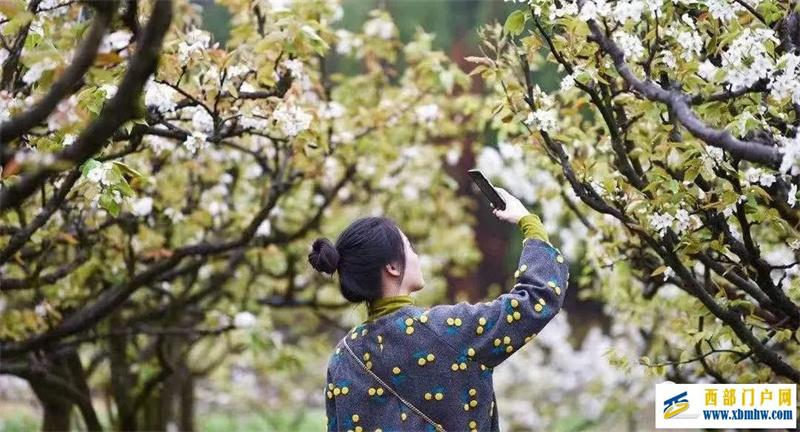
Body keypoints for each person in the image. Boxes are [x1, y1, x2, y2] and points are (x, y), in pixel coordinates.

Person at [309, 188, 569, 432]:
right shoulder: (449, 329)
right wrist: (528, 222)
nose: (416, 256)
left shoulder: (344, 358)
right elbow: (536, 299)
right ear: (392, 267)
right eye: (409, 247)